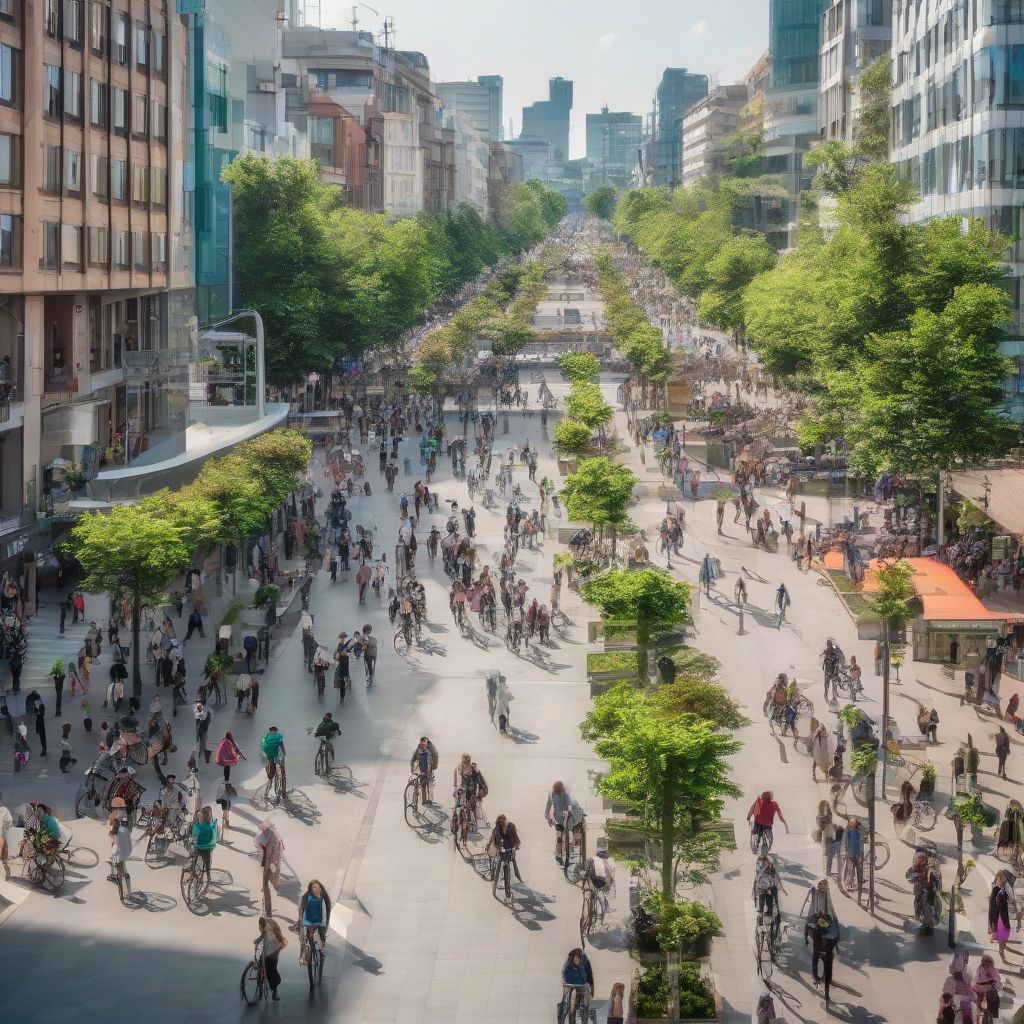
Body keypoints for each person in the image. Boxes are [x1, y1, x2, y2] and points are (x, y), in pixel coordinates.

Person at [294, 879, 331, 978]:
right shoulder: (306, 897)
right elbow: (301, 911)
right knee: (303, 937)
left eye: (316, 887)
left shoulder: (323, 899)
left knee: (320, 936)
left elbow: (325, 913)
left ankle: (321, 950)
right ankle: (304, 954)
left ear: (320, 888)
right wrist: (301, 922)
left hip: (319, 922)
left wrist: (323, 928)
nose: (315, 889)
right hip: (308, 922)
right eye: (313, 887)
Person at [545, 781, 585, 863]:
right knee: (559, 836)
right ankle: (558, 853)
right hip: (558, 818)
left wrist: (569, 811)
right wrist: (547, 815)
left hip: (569, 817)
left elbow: (570, 804)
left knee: (574, 833)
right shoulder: (551, 794)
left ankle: (573, 847)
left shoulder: (566, 794)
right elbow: (549, 804)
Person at [489, 814, 521, 902]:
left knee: (511, 868)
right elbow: (495, 841)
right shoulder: (497, 830)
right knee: (499, 866)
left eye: (505, 822)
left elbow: (517, 839)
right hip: (502, 852)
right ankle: (495, 881)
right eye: (502, 823)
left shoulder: (511, 826)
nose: (504, 824)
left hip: (510, 851)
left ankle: (509, 893)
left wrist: (516, 845)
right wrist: (500, 847)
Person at [810, 912, 840, 1004]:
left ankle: (816, 978)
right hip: (827, 954)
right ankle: (825, 985)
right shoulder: (832, 933)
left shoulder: (815, 931)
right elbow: (835, 940)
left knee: (815, 964)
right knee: (827, 971)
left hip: (818, 953)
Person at [256, 821, 285, 917]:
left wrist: (273, 865)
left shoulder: (272, 838)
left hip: (270, 866)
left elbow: (276, 855)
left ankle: (268, 912)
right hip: (269, 864)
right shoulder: (271, 836)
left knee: (266, 886)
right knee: (267, 885)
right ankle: (267, 906)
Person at [256, 917, 287, 1001]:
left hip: (276, 947)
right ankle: (261, 975)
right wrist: (259, 939)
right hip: (268, 945)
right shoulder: (264, 925)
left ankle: (275, 990)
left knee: (271, 968)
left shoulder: (271, 927)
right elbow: (263, 933)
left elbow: (276, 940)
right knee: (260, 960)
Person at [560, 948, 593, 1016]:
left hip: (580, 988)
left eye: (579, 958)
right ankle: (572, 1011)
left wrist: (583, 984)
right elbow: (567, 979)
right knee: (573, 994)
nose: (577, 960)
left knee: (587, 989)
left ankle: (585, 1009)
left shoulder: (581, 967)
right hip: (570, 988)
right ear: (572, 958)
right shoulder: (568, 968)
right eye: (576, 958)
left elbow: (583, 979)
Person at [989, 871, 1013, 960]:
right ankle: (1001, 949)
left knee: (1002, 931)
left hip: (1000, 914)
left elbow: (1009, 901)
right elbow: (996, 902)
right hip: (998, 914)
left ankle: (1001, 949)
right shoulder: (998, 889)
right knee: (1001, 931)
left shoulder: (1000, 889)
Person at [191, 805, 218, 884]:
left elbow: (194, 833)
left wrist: (195, 823)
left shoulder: (199, 825)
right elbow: (214, 836)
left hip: (198, 847)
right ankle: (208, 877)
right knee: (207, 864)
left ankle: (194, 872)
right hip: (207, 848)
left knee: (196, 857)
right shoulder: (211, 826)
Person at [260, 726, 287, 799]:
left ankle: (270, 771)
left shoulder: (266, 735)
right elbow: (281, 746)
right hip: (275, 752)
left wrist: (264, 752)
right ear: (276, 730)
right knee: (280, 765)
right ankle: (282, 775)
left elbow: (262, 745)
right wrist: (284, 753)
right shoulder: (278, 736)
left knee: (271, 760)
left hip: (268, 751)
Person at [410, 736, 439, 804]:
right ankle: (422, 799)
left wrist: (433, 767)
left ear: (427, 744)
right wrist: (413, 770)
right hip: (421, 767)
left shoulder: (431, 749)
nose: (422, 746)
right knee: (421, 782)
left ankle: (429, 799)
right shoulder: (419, 748)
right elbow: (413, 758)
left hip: (429, 767)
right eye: (421, 744)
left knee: (428, 782)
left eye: (424, 744)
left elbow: (435, 757)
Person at [107, 815, 132, 888]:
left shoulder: (113, 831)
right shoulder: (126, 830)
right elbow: (128, 842)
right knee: (121, 859)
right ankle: (123, 872)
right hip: (128, 852)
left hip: (118, 854)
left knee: (113, 858)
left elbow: (113, 845)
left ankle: (114, 875)